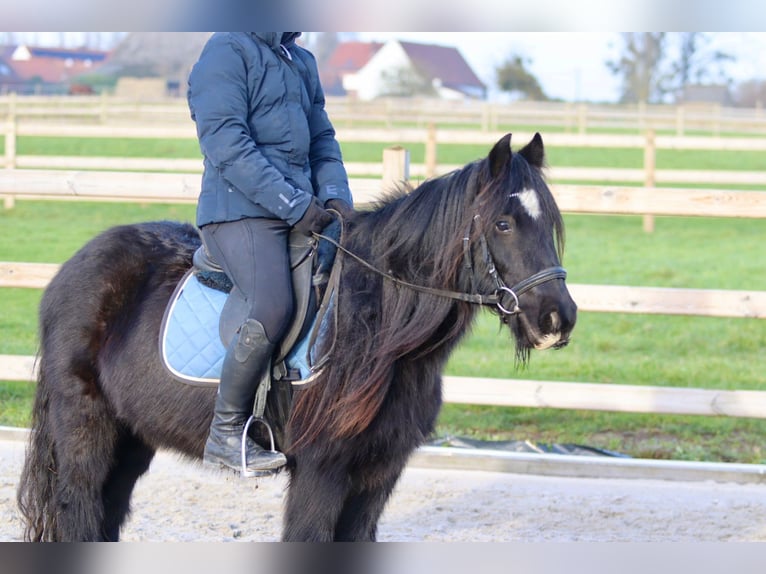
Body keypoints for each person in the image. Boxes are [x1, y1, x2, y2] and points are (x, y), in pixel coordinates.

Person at [187, 33, 353, 474]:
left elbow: (322, 138)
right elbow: (225, 143)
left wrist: (336, 197)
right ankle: (225, 435)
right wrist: (294, 205)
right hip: (238, 210)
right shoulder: (226, 50)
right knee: (272, 304)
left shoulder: (301, 59)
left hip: (301, 208)